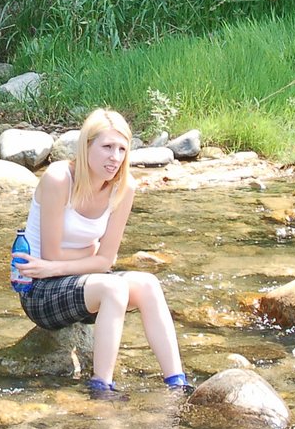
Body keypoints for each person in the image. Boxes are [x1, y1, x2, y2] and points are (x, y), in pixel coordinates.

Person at [14, 107, 190, 400]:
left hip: (73, 279)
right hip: (38, 289)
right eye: (107, 147)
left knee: (149, 284)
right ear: (86, 147)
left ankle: (177, 383)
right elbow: (52, 252)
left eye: (122, 149)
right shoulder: (60, 179)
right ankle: (101, 387)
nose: (115, 157)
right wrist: (86, 253)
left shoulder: (124, 187)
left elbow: (105, 260)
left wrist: (74, 260)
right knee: (114, 287)